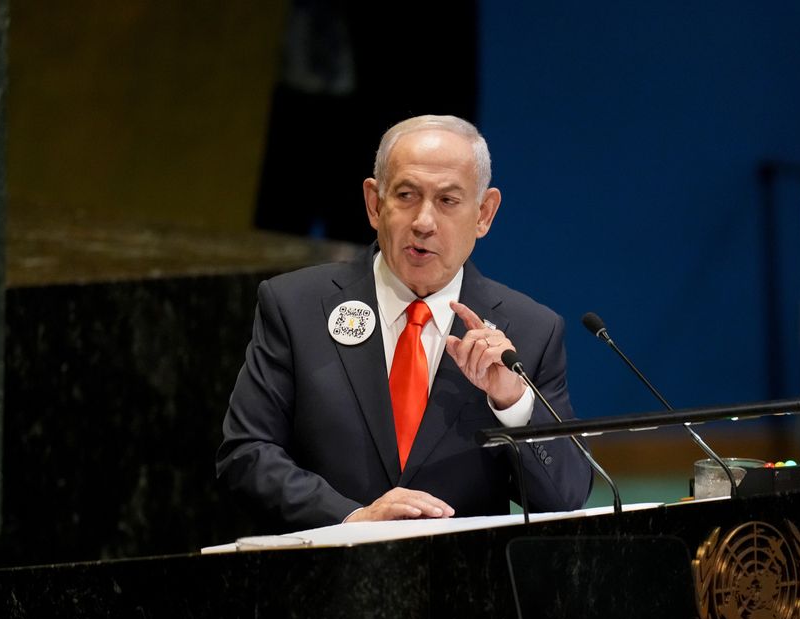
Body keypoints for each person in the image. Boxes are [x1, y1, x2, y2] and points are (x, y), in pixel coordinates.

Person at [217, 115, 592, 533]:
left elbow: (567, 496)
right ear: (375, 204)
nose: (424, 222)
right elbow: (246, 455)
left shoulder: (529, 331)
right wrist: (352, 519)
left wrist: (514, 403)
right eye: (407, 195)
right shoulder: (296, 307)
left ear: (484, 214)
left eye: (448, 200)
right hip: (326, 580)